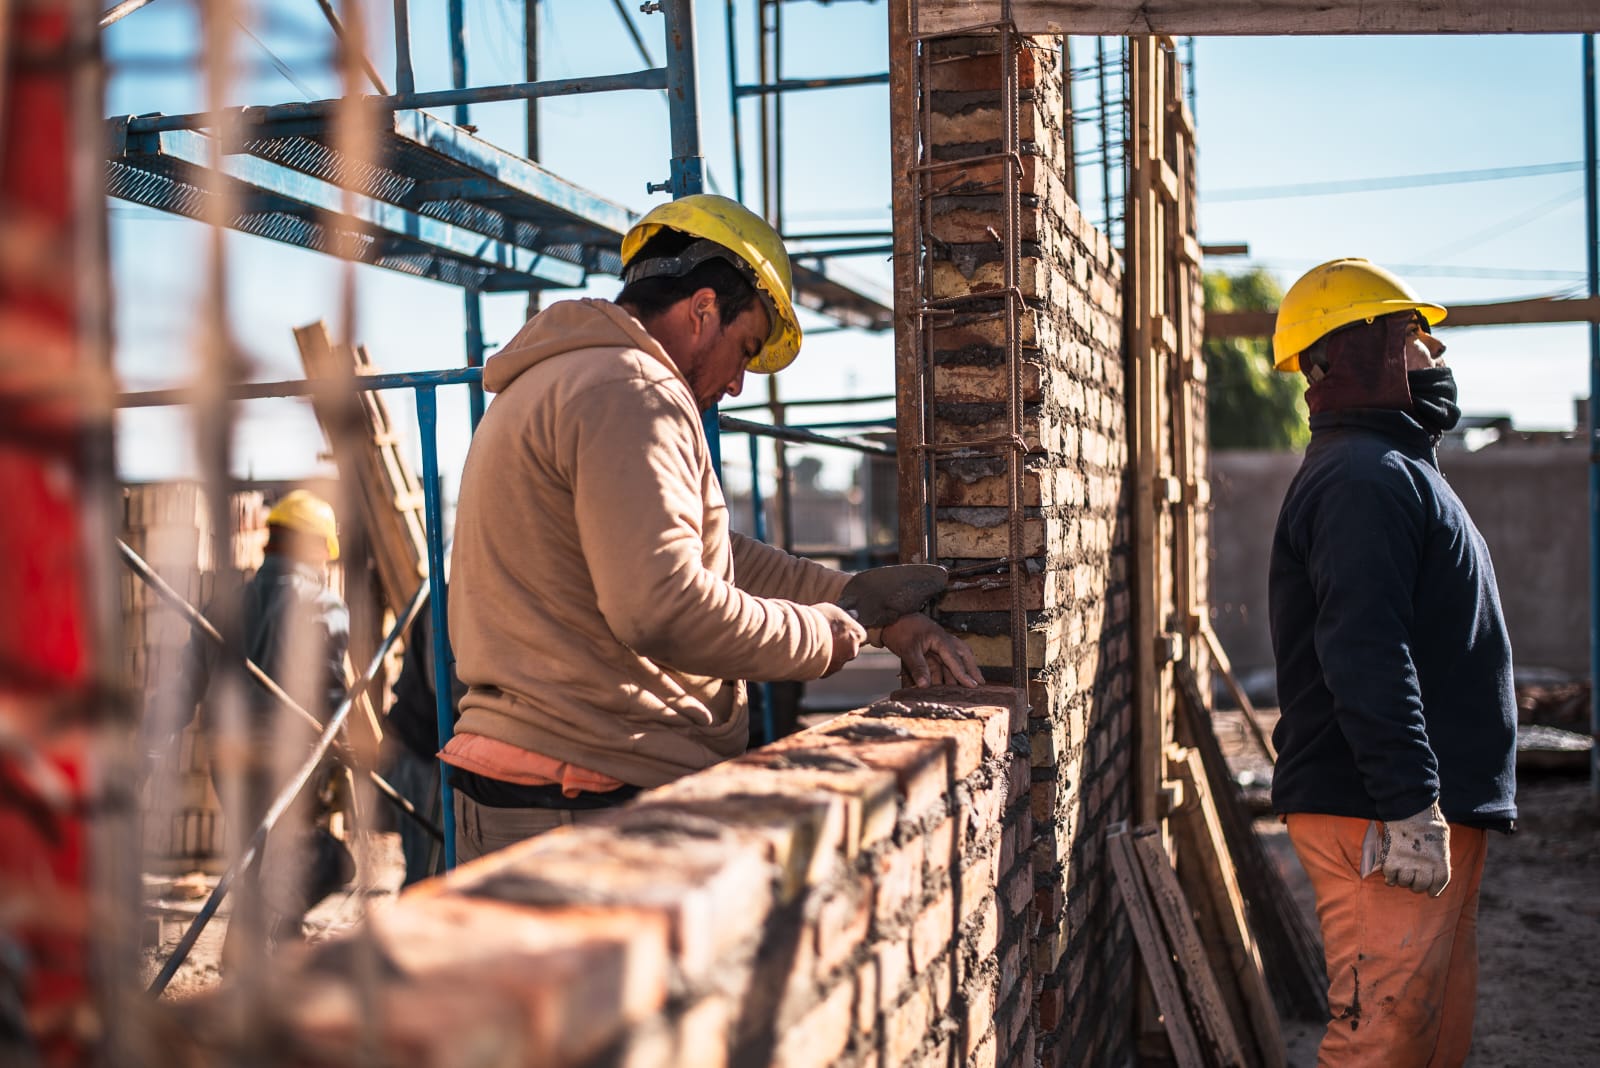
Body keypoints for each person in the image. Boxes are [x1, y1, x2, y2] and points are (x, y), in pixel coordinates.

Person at [443, 194, 982, 861]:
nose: (736, 386)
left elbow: (710, 555)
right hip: (586, 791)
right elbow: (663, 606)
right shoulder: (634, 391)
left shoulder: (565, 377)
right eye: (745, 348)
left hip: (543, 781)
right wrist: (828, 635)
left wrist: (860, 602)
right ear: (702, 310)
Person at [1267, 259, 1516, 1066]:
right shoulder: (1361, 479)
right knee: (1382, 1036)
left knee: (1428, 1034)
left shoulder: (1395, 470)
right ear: (1359, 350)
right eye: (1415, 337)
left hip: (1415, 811)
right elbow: (1364, 650)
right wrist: (1411, 805)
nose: (1436, 360)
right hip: (1379, 811)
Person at [154, 489, 355, 950]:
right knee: (306, 861)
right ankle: (276, 949)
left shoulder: (223, 607)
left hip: (228, 758)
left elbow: (187, 686)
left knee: (252, 856)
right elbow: (329, 694)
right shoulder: (324, 607)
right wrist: (344, 754)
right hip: (290, 763)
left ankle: (247, 958)